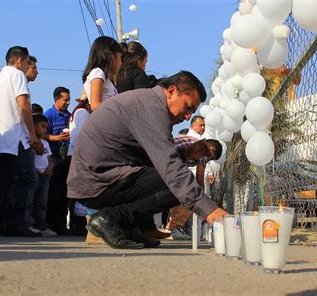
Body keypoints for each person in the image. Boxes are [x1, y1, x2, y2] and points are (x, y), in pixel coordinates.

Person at [67, 71, 228, 249]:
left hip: (100, 177)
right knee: (178, 184)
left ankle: (134, 228)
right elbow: (170, 169)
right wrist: (210, 211)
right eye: (188, 107)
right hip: (97, 182)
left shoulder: (148, 102)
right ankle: (111, 218)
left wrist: (185, 152)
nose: (188, 117)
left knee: (176, 182)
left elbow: (151, 157)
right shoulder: (151, 110)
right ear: (172, 91)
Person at [0, 45, 43, 237]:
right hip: (17, 138)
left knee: (5, 182)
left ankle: (3, 223)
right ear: (19, 60)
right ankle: (18, 223)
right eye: (28, 62)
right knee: (27, 179)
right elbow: (24, 107)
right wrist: (32, 134)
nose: (29, 66)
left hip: (1, 139)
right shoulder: (16, 75)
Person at [44, 86, 71, 234]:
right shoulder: (49, 114)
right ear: (57, 100)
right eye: (65, 100)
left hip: (66, 158)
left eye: (69, 100)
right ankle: (51, 224)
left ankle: (61, 225)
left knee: (64, 193)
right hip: (53, 158)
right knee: (53, 193)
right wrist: (57, 138)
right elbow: (42, 134)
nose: (68, 103)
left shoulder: (69, 115)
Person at [66, 95, 91, 236]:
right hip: (79, 156)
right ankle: (78, 224)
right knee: (80, 192)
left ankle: (79, 224)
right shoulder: (82, 113)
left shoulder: (82, 112)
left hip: (78, 155)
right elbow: (79, 136)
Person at [29, 114, 56, 236]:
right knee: (31, 200)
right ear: (34, 127)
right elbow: (30, 161)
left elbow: (49, 158)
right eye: (42, 126)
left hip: (45, 177)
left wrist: (50, 168)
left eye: (46, 127)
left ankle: (42, 225)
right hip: (35, 175)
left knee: (42, 202)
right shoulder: (31, 143)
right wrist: (37, 171)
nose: (45, 130)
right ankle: (30, 223)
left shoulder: (45, 143)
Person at [82, 36, 122, 111]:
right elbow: (95, 105)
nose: (121, 62)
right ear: (111, 56)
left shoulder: (105, 77)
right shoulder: (98, 73)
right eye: (120, 57)